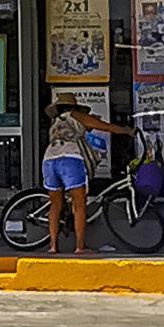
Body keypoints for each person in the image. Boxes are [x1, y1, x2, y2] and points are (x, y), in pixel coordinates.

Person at [39, 98, 132, 254]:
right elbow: (105, 127)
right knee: (79, 204)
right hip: (70, 159)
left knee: (55, 206)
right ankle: (79, 247)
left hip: (49, 160)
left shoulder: (56, 121)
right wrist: (127, 131)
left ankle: (53, 246)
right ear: (74, 106)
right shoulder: (75, 115)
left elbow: (84, 128)